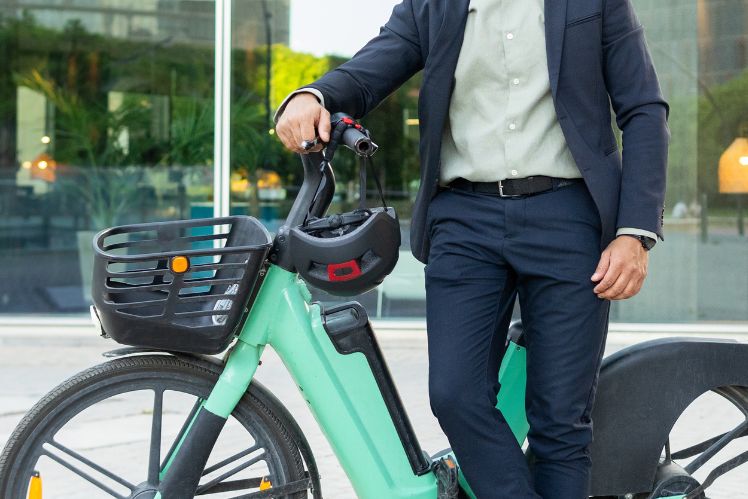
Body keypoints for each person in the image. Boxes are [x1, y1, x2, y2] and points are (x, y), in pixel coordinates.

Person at [275, 0, 669, 497]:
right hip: (465, 219)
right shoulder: (431, 5)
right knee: (455, 394)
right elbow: (369, 71)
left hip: (570, 215)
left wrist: (634, 232)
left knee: (561, 422)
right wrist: (312, 95)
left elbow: (643, 108)